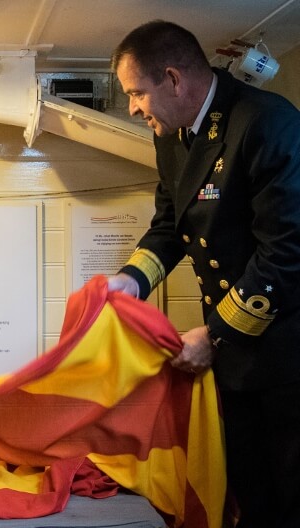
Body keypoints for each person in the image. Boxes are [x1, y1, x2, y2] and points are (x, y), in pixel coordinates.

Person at [108, 20, 300, 527]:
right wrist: (130, 280)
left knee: (290, 495)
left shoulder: (264, 121)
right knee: (248, 490)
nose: (132, 108)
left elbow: (286, 253)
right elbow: (171, 225)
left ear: (172, 78)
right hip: (234, 356)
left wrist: (215, 336)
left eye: (135, 94)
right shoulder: (173, 137)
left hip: (284, 356)